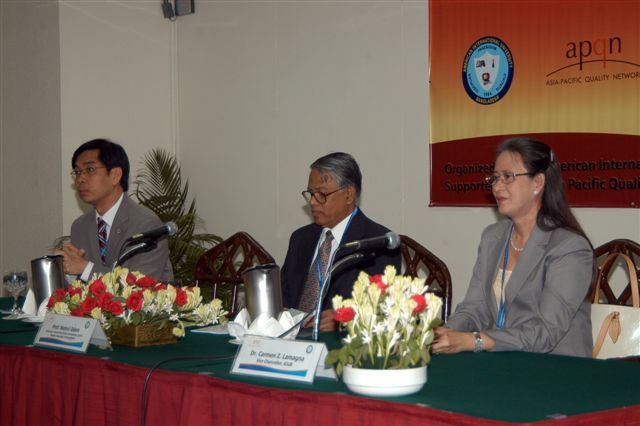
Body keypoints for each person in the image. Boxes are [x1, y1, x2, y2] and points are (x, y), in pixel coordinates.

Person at [432, 137, 594, 357]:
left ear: (538, 183)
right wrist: (443, 335)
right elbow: (474, 309)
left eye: (508, 177)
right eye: (495, 178)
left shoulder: (569, 247)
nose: (497, 186)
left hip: (557, 367)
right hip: (505, 361)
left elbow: (546, 332)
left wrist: (474, 340)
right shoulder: (493, 237)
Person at [281, 152, 401, 331]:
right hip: (291, 339)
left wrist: (345, 320)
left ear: (349, 195)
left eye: (321, 194)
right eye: (310, 193)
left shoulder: (378, 242)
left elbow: (384, 309)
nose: (313, 202)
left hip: (340, 343)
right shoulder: (300, 239)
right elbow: (285, 297)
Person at [59, 139, 173, 282]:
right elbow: (78, 284)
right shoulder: (80, 227)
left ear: (115, 175)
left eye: (90, 169)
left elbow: (140, 286)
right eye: (77, 172)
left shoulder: (146, 224)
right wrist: (65, 269)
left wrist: (85, 268)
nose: (80, 179)